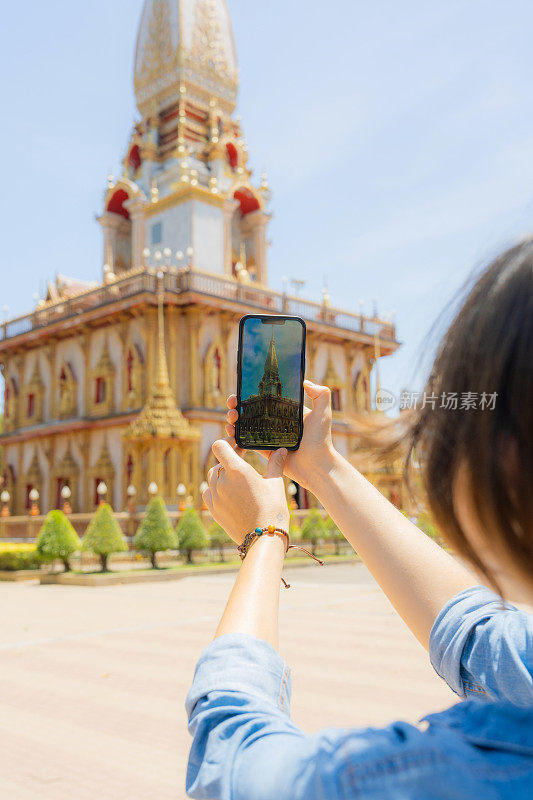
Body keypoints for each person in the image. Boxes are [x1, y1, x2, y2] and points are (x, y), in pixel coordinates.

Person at [185, 240, 533, 799]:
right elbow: (486, 645)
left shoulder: (454, 775)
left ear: (505, 461)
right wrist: (320, 468)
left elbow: (234, 769)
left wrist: (266, 534)